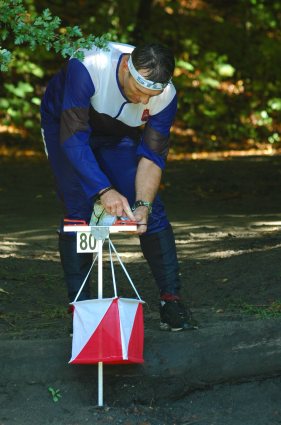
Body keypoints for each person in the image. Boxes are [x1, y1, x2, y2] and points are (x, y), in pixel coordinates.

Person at [40, 41, 197, 331]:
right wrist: (103, 190)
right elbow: (74, 139)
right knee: (79, 208)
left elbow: (152, 156)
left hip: (116, 133)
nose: (140, 100)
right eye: (137, 91)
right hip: (66, 125)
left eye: (148, 96)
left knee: (152, 210)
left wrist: (143, 204)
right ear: (126, 67)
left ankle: (171, 300)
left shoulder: (166, 97)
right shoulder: (89, 66)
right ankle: (80, 308)